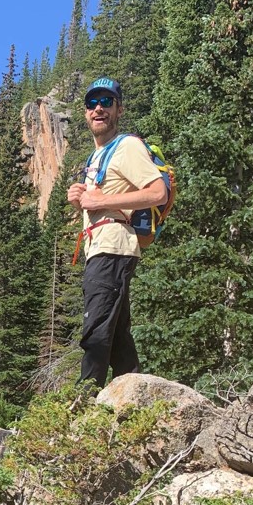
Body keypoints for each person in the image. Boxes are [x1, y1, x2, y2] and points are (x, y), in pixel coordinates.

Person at [67, 77, 167, 388]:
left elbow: (157, 192)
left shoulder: (126, 146)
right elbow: (99, 203)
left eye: (107, 102)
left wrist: (100, 200)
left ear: (119, 109)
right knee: (119, 337)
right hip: (101, 247)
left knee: (95, 332)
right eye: (92, 103)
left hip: (113, 248)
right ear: (86, 113)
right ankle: (136, 399)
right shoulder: (96, 157)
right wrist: (79, 201)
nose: (99, 108)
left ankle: (83, 404)